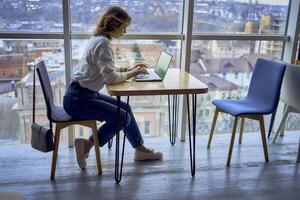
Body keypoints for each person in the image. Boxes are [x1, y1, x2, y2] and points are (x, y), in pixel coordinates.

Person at [63, 6, 163, 169]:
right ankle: (87, 146)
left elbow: (104, 69)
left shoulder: (98, 38)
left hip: (79, 95)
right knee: (122, 117)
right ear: (115, 26)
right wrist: (133, 73)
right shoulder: (104, 44)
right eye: (124, 28)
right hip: (79, 100)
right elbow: (110, 78)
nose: (124, 33)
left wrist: (129, 70)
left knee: (125, 108)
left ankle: (140, 150)